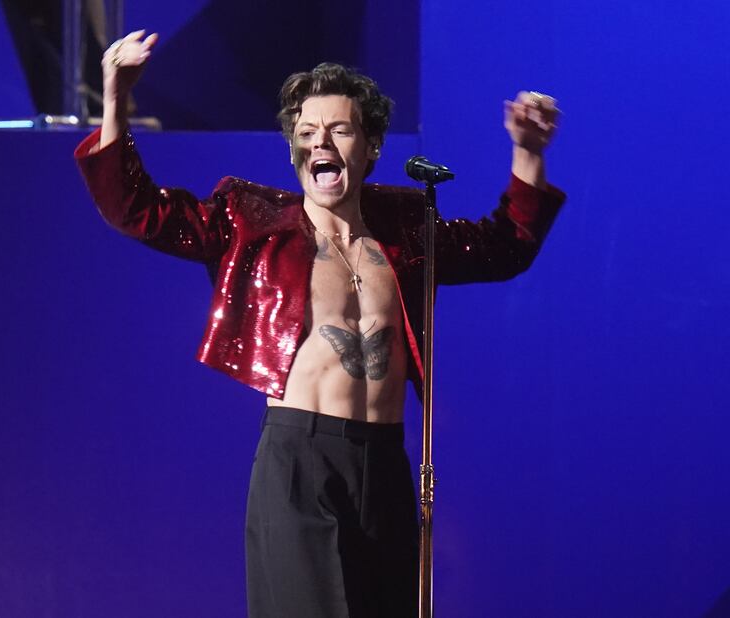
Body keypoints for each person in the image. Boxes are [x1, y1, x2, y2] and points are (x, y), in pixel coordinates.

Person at [75, 30, 565, 618]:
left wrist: (528, 154)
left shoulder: (409, 231)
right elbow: (137, 209)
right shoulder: (251, 224)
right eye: (306, 133)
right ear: (294, 151)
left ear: (372, 145)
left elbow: (502, 248)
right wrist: (115, 98)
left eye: (339, 129)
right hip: (300, 461)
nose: (320, 143)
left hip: (385, 464)